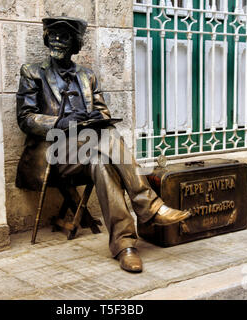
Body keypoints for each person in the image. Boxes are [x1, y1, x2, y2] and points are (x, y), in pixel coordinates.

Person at [16, 16, 191, 273]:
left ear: (75, 43)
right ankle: (149, 207)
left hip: (88, 152)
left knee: (102, 161)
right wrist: (61, 121)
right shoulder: (32, 72)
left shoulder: (87, 76)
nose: (56, 40)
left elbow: (103, 113)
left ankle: (125, 246)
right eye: (52, 34)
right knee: (107, 136)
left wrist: (94, 118)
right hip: (53, 155)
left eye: (64, 36)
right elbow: (26, 118)